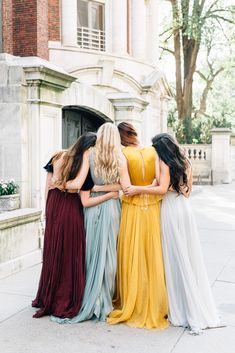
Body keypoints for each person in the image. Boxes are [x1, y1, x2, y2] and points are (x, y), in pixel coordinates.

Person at [124, 132, 220, 334]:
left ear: (162, 149)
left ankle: (180, 308)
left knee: (174, 257)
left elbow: (161, 190)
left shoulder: (165, 164)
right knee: (188, 255)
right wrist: (160, 186)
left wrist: (137, 189)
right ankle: (192, 302)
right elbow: (187, 191)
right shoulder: (185, 162)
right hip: (184, 209)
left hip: (170, 210)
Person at [51, 122, 128, 324]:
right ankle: (105, 300)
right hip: (111, 208)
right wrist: (110, 191)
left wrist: (97, 187)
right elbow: (124, 186)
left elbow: (85, 184)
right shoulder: (121, 157)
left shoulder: (89, 154)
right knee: (110, 255)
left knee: (91, 253)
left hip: (91, 210)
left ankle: (91, 298)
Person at [32, 132, 115, 318]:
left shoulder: (58, 155)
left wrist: (48, 209)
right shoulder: (84, 157)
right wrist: (62, 184)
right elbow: (77, 185)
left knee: (53, 250)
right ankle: (63, 297)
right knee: (69, 251)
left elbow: (48, 185)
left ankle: (47, 296)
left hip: (53, 203)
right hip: (69, 204)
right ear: (89, 147)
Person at [107, 122, 169, 329]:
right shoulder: (153, 151)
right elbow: (160, 182)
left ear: (120, 137)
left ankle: (133, 300)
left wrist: (136, 188)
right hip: (152, 208)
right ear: (133, 133)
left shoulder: (122, 154)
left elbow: (126, 188)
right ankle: (155, 301)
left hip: (133, 209)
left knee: (133, 252)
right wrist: (149, 185)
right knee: (152, 253)